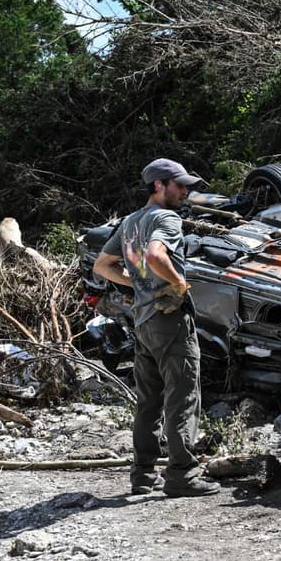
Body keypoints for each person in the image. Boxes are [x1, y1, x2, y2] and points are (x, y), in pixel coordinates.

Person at [93, 158, 220, 497]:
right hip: (170, 320)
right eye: (179, 185)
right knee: (183, 395)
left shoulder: (130, 222)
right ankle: (182, 475)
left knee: (149, 401)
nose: (185, 191)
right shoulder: (166, 218)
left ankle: (143, 475)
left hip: (144, 321)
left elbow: (102, 266)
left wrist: (140, 286)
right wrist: (179, 284)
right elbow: (154, 255)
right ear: (159, 185)